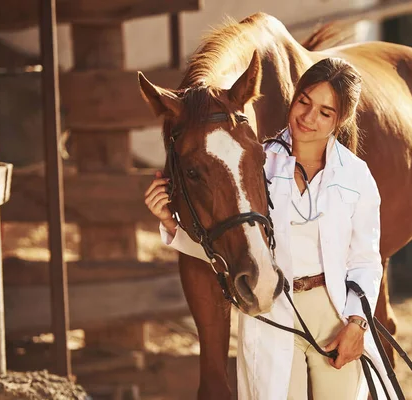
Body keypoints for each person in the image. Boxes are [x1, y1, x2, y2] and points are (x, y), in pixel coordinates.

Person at [144, 58, 396, 400]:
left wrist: (357, 323)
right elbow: (232, 245)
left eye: (325, 112)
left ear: (342, 120)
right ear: (293, 98)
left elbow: (366, 259)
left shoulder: (356, 176)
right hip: (276, 311)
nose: (308, 118)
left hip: (335, 313)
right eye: (304, 102)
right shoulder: (254, 163)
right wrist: (170, 224)